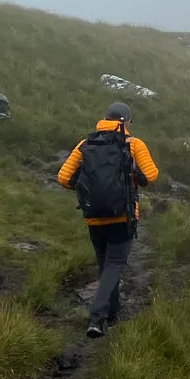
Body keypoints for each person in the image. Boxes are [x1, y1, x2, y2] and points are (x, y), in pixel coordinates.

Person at [57, 101, 159, 337]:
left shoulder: (86, 144)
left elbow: (63, 178)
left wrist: (87, 189)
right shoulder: (133, 144)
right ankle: (96, 318)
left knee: (105, 264)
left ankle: (113, 311)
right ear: (127, 122)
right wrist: (132, 177)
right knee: (114, 265)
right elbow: (151, 175)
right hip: (123, 216)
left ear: (105, 119)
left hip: (94, 217)